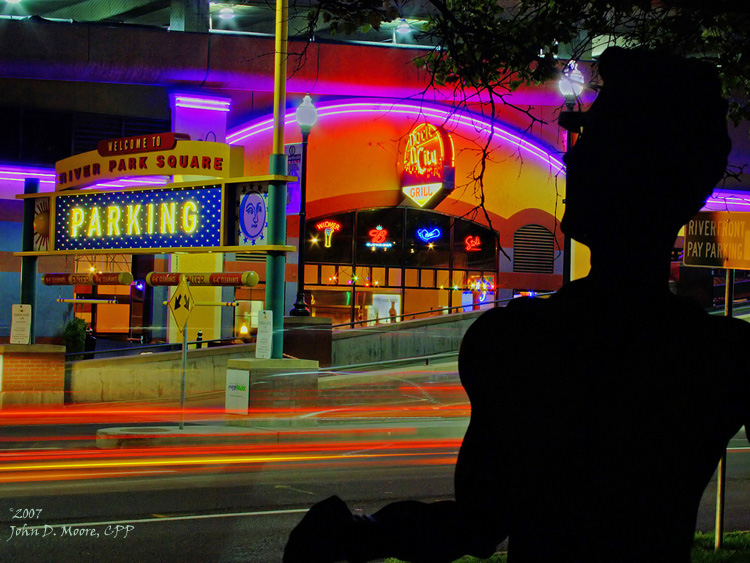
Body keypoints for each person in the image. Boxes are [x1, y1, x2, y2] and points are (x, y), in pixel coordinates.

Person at [283, 47, 750, 563]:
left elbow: (479, 522)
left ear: (643, 172)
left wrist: (362, 534)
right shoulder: (724, 358)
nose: (572, 156)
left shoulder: (517, 341)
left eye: (594, 140)